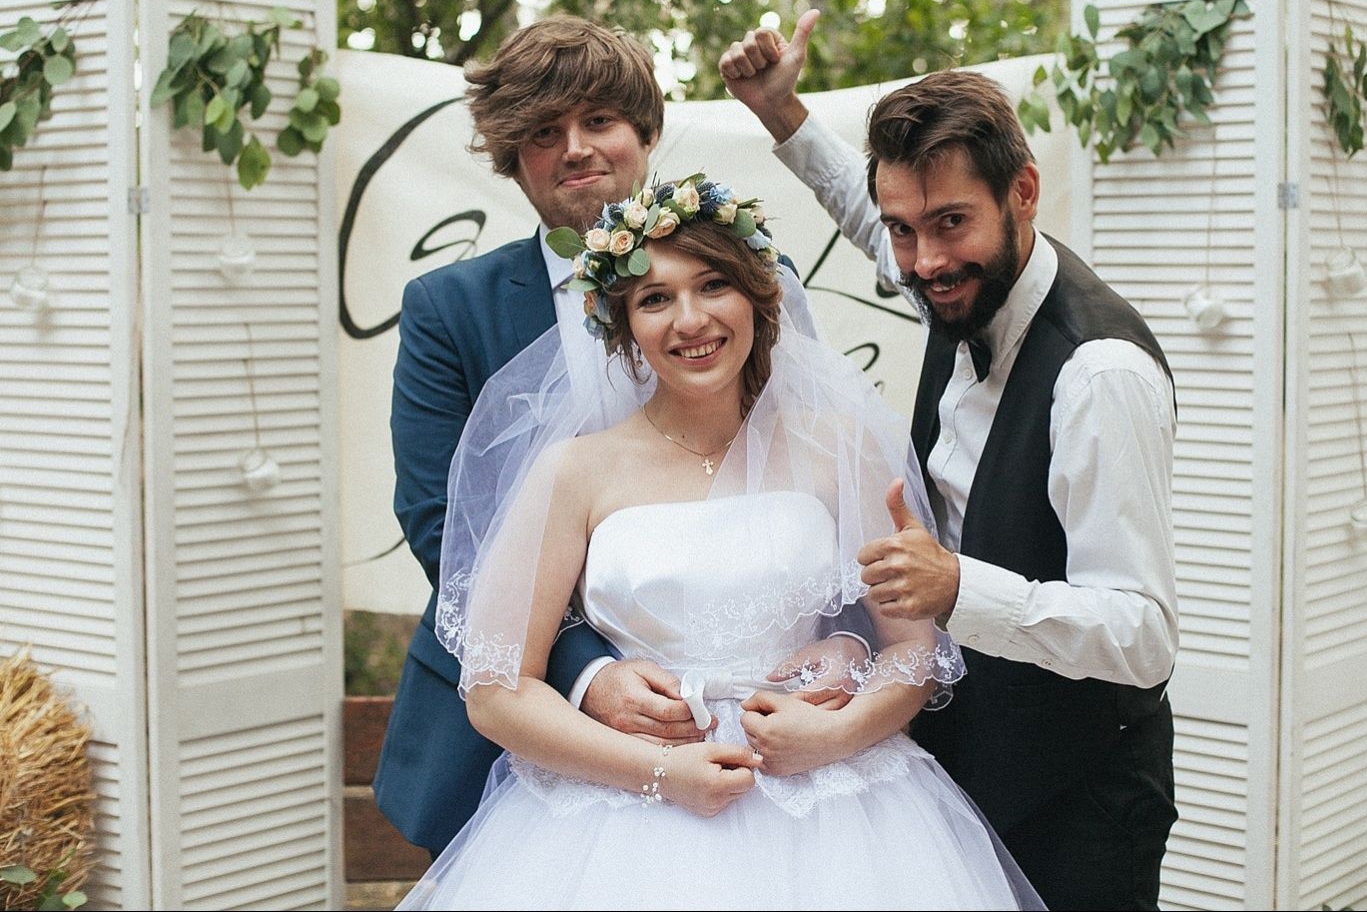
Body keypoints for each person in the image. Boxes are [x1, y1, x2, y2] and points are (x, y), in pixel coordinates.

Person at [397, 177, 1043, 910]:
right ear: (622, 324)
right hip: (623, 823)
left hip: (838, 818)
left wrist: (837, 734)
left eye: (713, 285)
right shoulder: (572, 472)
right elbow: (496, 693)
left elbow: (915, 650)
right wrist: (658, 773)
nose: (690, 320)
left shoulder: (840, 449)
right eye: (655, 298)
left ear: (758, 298)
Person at [718, 12, 1179, 911]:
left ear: (1024, 192)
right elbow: (873, 215)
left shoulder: (1099, 376)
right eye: (904, 230)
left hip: (1082, 797)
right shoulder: (953, 275)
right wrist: (780, 112)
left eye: (950, 223)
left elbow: (1142, 633)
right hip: (962, 761)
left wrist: (958, 588)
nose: (924, 261)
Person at [375, 16, 707, 857]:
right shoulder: (448, 310)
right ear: (512, 158)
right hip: (503, 734)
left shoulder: (742, 290)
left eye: (599, 120)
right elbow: (441, 525)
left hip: (719, 702)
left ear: (646, 132)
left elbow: (804, 474)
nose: (576, 149)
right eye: (543, 133)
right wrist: (584, 671)